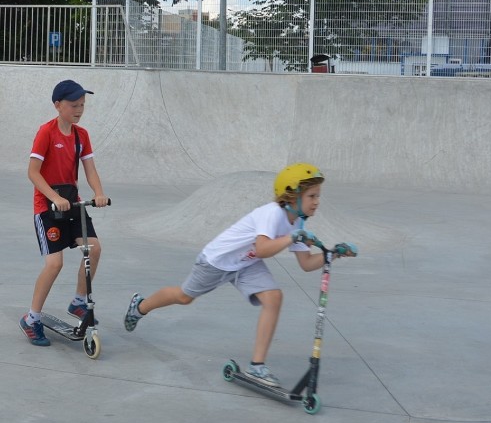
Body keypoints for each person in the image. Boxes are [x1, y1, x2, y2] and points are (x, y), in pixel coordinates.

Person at [123, 163, 357, 386]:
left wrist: (334, 253)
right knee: (184, 297)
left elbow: (306, 263)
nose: (317, 201)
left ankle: (257, 366)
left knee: (274, 297)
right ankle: (140, 306)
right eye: (312, 196)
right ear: (292, 196)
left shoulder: (296, 225)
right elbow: (263, 249)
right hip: (218, 261)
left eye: (317, 196)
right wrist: (290, 238)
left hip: (246, 264)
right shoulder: (272, 213)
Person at [20, 79, 110, 346]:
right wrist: (55, 197)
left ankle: (78, 301)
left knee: (94, 248)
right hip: (47, 207)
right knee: (54, 264)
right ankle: (32, 319)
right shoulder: (46, 132)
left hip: (72, 204)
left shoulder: (82, 135)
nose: (79, 109)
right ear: (58, 105)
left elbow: (90, 170)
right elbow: (32, 173)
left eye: (82, 105)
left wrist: (99, 193)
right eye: (73, 105)